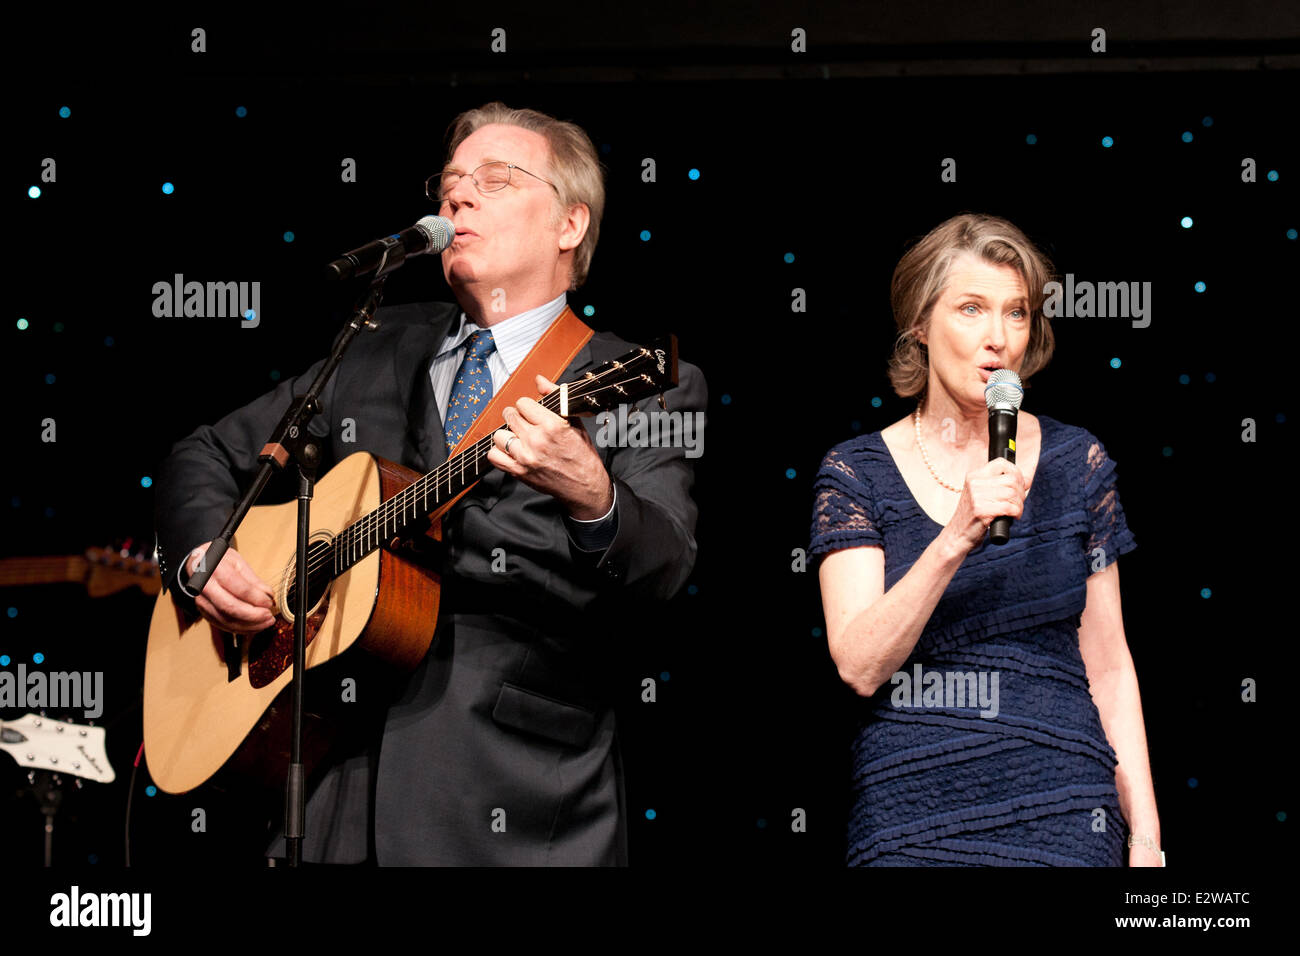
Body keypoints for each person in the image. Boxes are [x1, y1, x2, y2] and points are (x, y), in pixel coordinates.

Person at [152, 102, 706, 865]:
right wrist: (201, 558)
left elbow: (667, 564)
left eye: (495, 179)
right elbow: (205, 452)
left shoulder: (638, 383)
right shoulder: (377, 344)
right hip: (328, 795)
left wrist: (593, 495)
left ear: (570, 225)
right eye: (448, 185)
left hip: (512, 799)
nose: (457, 199)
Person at [809, 213, 1161, 866]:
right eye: (971, 309)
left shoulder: (1075, 460)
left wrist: (1147, 837)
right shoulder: (856, 471)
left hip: (1064, 805)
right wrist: (954, 540)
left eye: (1017, 313)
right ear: (919, 322)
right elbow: (859, 664)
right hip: (914, 815)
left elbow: (1110, 667)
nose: (998, 338)